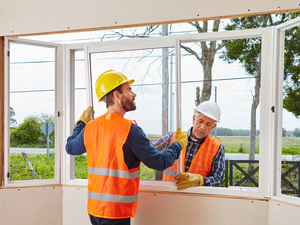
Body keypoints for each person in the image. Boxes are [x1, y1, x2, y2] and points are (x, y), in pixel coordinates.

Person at [65, 69, 188, 225]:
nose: (134, 94)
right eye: (129, 90)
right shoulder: (131, 130)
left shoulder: (90, 127)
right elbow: (159, 162)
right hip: (115, 213)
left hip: (94, 211)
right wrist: (177, 145)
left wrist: (81, 123)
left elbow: (70, 147)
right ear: (117, 95)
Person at [152, 101, 225, 189]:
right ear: (194, 119)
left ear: (213, 127)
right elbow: (148, 152)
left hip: (197, 198)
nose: (202, 127)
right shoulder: (173, 138)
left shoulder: (217, 148)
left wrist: (200, 181)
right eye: (200, 121)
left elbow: (218, 180)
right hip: (170, 194)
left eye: (208, 124)